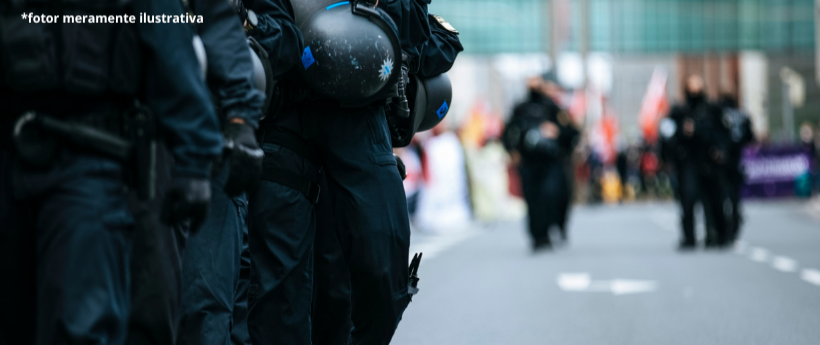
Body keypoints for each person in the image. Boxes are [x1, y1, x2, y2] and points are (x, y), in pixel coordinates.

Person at [0, 0, 222, 343]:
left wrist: (196, 155)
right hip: (10, 156)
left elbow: (165, 28)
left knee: (82, 329)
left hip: (89, 161)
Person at [176, 0, 266, 344]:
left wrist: (241, 120)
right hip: (99, 145)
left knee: (205, 306)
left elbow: (219, 25)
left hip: (201, 140)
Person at [503, 77, 579, 251]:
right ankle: (538, 236)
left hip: (551, 162)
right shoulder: (520, 109)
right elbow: (508, 133)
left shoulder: (554, 109)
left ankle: (552, 228)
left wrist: (557, 132)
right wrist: (512, 151)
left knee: (551, 195)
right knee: (532, 199)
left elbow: (572, 133)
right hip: (528, 162)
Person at [667, 75, 730, 249]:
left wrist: (719, 150)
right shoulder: (680, 112)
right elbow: (669, 138)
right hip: (688, 163)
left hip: (709, 162)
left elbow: (721, 135)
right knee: (688, 200)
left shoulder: (712, 110)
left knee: (714, 200)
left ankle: (716, 234)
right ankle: (689, 237)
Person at [718, 93, 754, 244]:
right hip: (732, 162)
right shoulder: (742, 116)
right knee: (732, 199)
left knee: (727, 198)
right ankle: (731, 227)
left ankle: (730, 228)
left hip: (727, 163)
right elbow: (750, 138)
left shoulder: (722, 116)